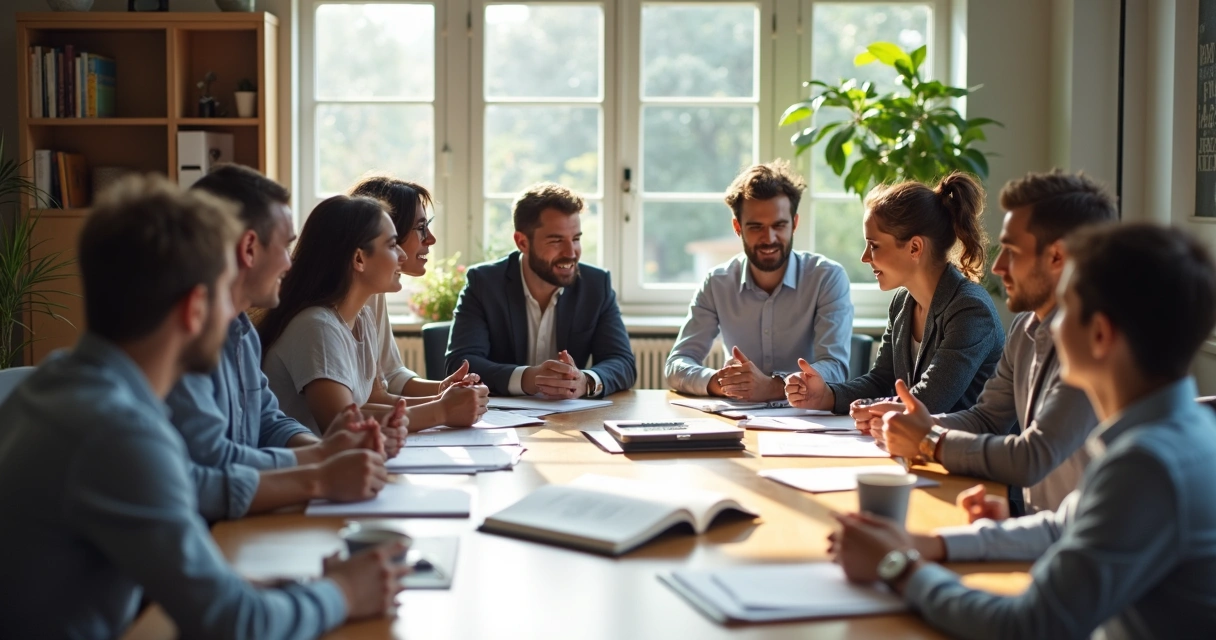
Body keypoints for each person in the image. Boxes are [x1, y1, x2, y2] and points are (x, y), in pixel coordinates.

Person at [0, 175, 406, 638]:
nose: (235, 314)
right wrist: (345, 593)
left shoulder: (61, 382)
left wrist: (299, 583)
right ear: (196, 307)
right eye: (224, 290)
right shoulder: (117, 432)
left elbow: (194, 510)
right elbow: (234, 623)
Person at [831, 223, 1216, 638]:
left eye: (1065, 308)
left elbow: (1030, 624)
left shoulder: (1146, 465)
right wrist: (931, 544)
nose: (1049, 326)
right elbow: (1059, 527)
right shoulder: (1176, 432)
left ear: (1101, 335)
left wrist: (899, 566)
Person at [856, 170, 1117, 516]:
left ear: (1056, 257)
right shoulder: (1025, 329)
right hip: (1034, 525)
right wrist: (921, 424)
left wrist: (929, 440)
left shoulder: (1095, 347)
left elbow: (1032, 457)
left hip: (1071, 541)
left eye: (1011, 250)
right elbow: (986, 419)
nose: (997, 267)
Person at [166, 164, 395, 522]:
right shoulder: (183, 342)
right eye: (286, 246)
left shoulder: (239, 330)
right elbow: (213, 461)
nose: (291, 263)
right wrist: (319, 469)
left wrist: (325, 450)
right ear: (249, 249)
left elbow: (268, 422)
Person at [257, 195, 487, 435]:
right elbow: (341, 423)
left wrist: (446, 400)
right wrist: (441, 411)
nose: (402, 255)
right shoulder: (316, 326)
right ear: (359, 259)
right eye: (391, 245)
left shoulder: (362, 320)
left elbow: (367, 403)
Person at [785, 172, 1004, 415]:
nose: (865, 257)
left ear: (914, 247)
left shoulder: (970, 310)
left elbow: (930, 401)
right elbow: (881, 380)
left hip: (968, 450)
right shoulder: (902, 303)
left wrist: (870, 409)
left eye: (874, 245)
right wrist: (827, 395)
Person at [664, 161, 852, 401]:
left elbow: (836, 369)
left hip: (808, 419)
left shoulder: (827, 278)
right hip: (738, 418)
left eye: (779, 225)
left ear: (794, 224)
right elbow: (676, 364)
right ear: (737, 227)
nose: (769, 238)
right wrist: (722, 383)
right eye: (755, 227)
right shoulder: (717, 283)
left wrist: (774, 386)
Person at [446, 182, 637, 397]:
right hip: (496, 420)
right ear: (522, 242)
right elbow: (460, 364)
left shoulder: (596, 285)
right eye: (556, 240)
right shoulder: (484, 283)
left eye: (575, 239)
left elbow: (623, 363)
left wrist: (586, 382)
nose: (571, 253)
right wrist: (529, 378)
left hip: (571, 419)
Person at [347, 176, 489, 404]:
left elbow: (391, 376)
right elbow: (356, 409)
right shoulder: (328, 316)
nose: (431, 239)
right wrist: (442, 406)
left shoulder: (371, 293)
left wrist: (444, 388)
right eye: (421, 228)